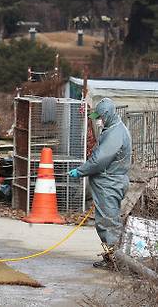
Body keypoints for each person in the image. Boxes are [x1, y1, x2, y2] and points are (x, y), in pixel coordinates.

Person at [68, 97, 131, 269]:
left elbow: (99, 160)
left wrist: (80, 171)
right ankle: (112, 257)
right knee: (106, 221)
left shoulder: (115, 133)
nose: (98, 120)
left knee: (109, 223)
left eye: (100, 117)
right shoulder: (111, 128)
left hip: (110, 184)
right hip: (108, 183)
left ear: (108, 115)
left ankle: (116, 261)